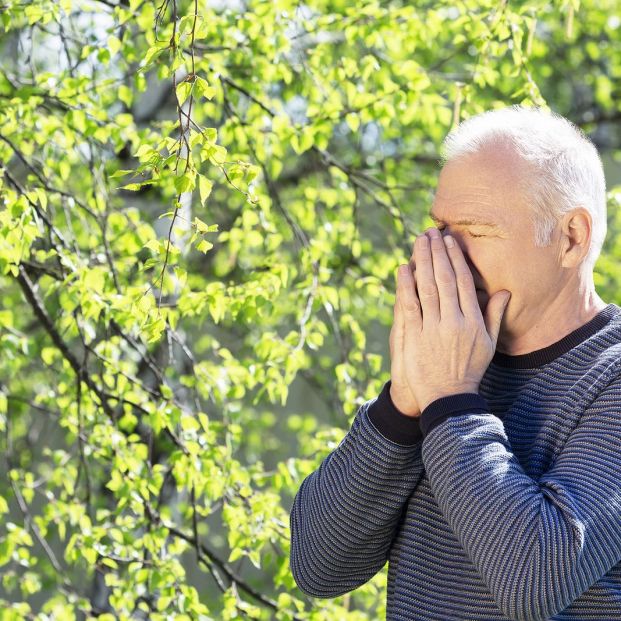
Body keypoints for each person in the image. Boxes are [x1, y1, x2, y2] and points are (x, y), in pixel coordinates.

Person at [289, 105, 621, 620]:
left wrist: (450, 401)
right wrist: (402, 404)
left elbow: (533, 581)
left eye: (474, 230)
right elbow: (318, 565)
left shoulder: (606, 375)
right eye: (439, 228)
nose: (442, 255)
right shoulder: (453, 356)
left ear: (571, 237)